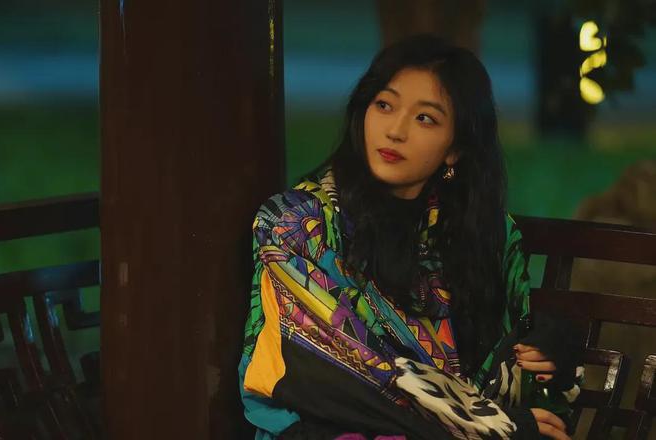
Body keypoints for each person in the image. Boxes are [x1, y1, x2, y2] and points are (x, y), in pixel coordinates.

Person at [238, 35, 583, 440]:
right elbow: (337, 372)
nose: (395, 131)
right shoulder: (297, 222)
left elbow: (503, 362)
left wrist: (550, 344)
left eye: (425, 118)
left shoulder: (480, 234)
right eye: (384, 105)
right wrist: (487, 427)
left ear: (454, 149)